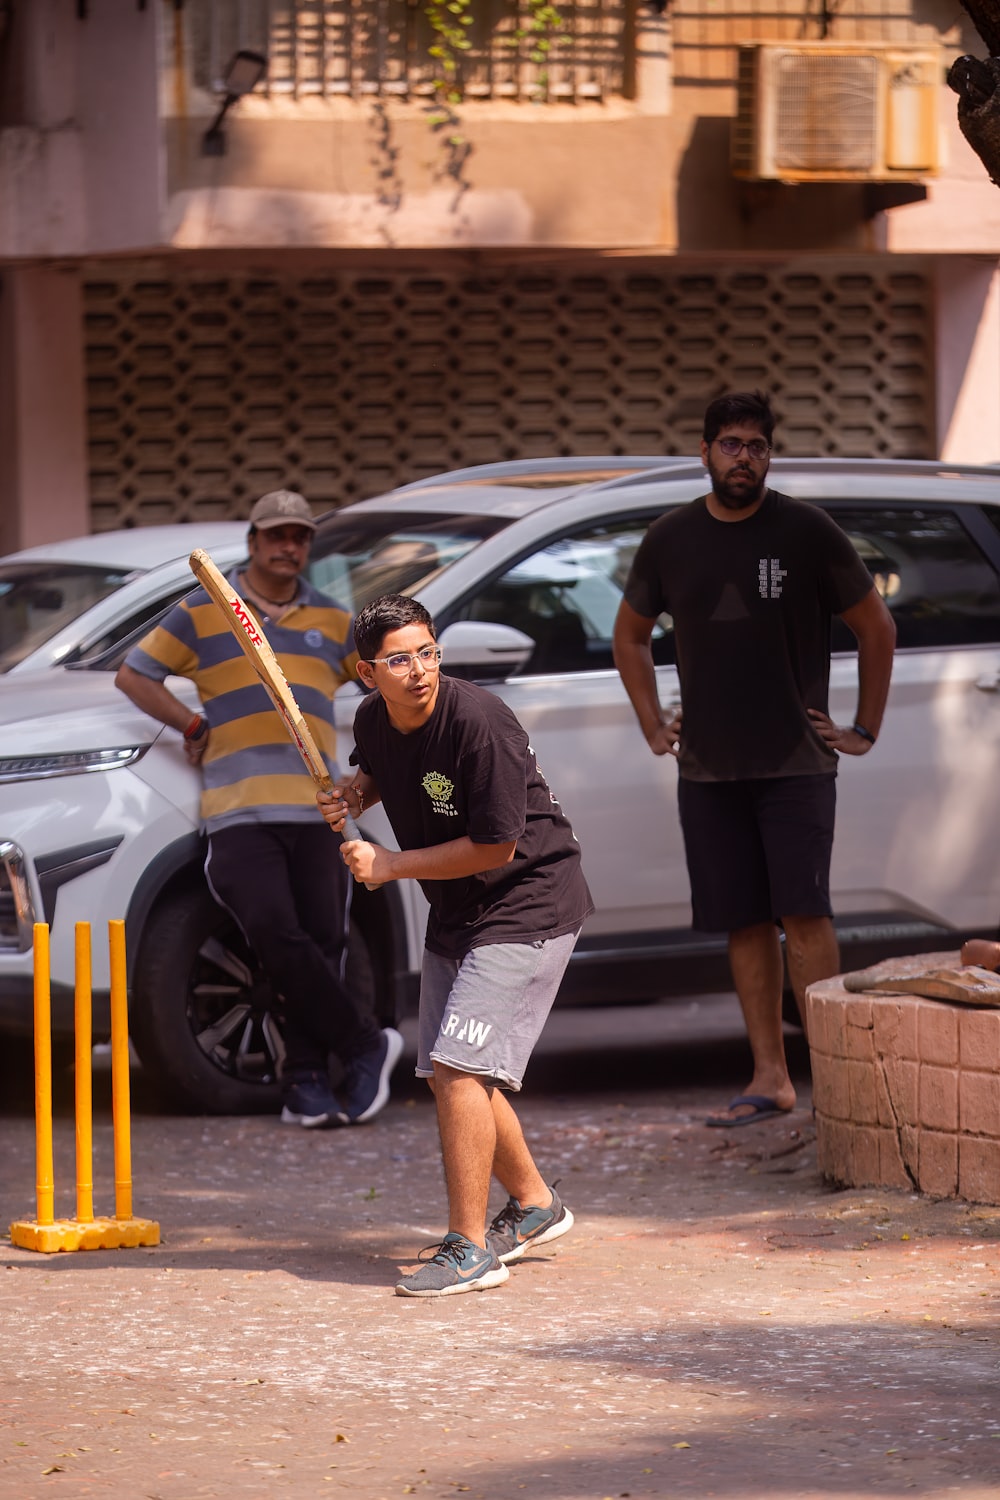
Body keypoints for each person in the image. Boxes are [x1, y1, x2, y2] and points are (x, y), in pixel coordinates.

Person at [612, 392, 897, 1127]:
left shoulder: (806, 531)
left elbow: (877, 627)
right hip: (707, 767)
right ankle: (770, 1076)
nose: (745, 458)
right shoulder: (671, 538)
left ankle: (837, 1082)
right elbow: (630, 635)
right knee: (743, 921)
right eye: (732, 445)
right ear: (705, 453)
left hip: (796, 763)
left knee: (804, 913)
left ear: (771, 455)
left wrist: (864, 727)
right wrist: (652, 723)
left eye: (758, 446)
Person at [317, 593, 594, 1297]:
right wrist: (354, 797)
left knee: (459, 1066)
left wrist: (390, 865)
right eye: (400, 659)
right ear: (367, 671)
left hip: (526, 901)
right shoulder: (372, 717)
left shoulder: (480, 722)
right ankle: (535, 1205)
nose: (419, 671)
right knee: (452, 1073)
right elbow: (381, 766)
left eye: (429, 652)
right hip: (458, 911)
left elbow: (498, 843)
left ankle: (469, 1248)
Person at [115, 489, 402, 1129]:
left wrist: (371, 768)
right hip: (239, 809)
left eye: (299, 536)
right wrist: (191, 724)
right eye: (276, 535)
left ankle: (305, 1082)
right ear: (252, 543)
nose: (288, 546)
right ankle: (364, 1041)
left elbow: (378, 692)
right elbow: (134, 675)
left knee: (323, 944)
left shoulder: (332, 619)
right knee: (274, 931)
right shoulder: (204, 608)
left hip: (318, 809)